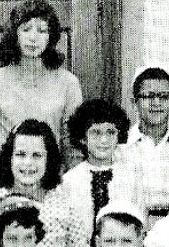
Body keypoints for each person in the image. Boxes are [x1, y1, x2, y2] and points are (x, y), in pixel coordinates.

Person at [0, 0, 83, 171]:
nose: (33, 38)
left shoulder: (68, 83)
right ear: (14, 34)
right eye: (26, 29)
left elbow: (72, 146)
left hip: (51, 181)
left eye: (42, 31)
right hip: (4, 181)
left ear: (51, 37)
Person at [58, 98, 139, 236]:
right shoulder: (69, 182)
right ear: (82, 138)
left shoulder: (130, 177)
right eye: (96, 133)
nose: (104, 140)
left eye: (110, 132)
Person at [119, 65, 169, 220]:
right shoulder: (120, 147)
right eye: (148, 96)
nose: (156, 103)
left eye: (164, 97)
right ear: (134, 102)